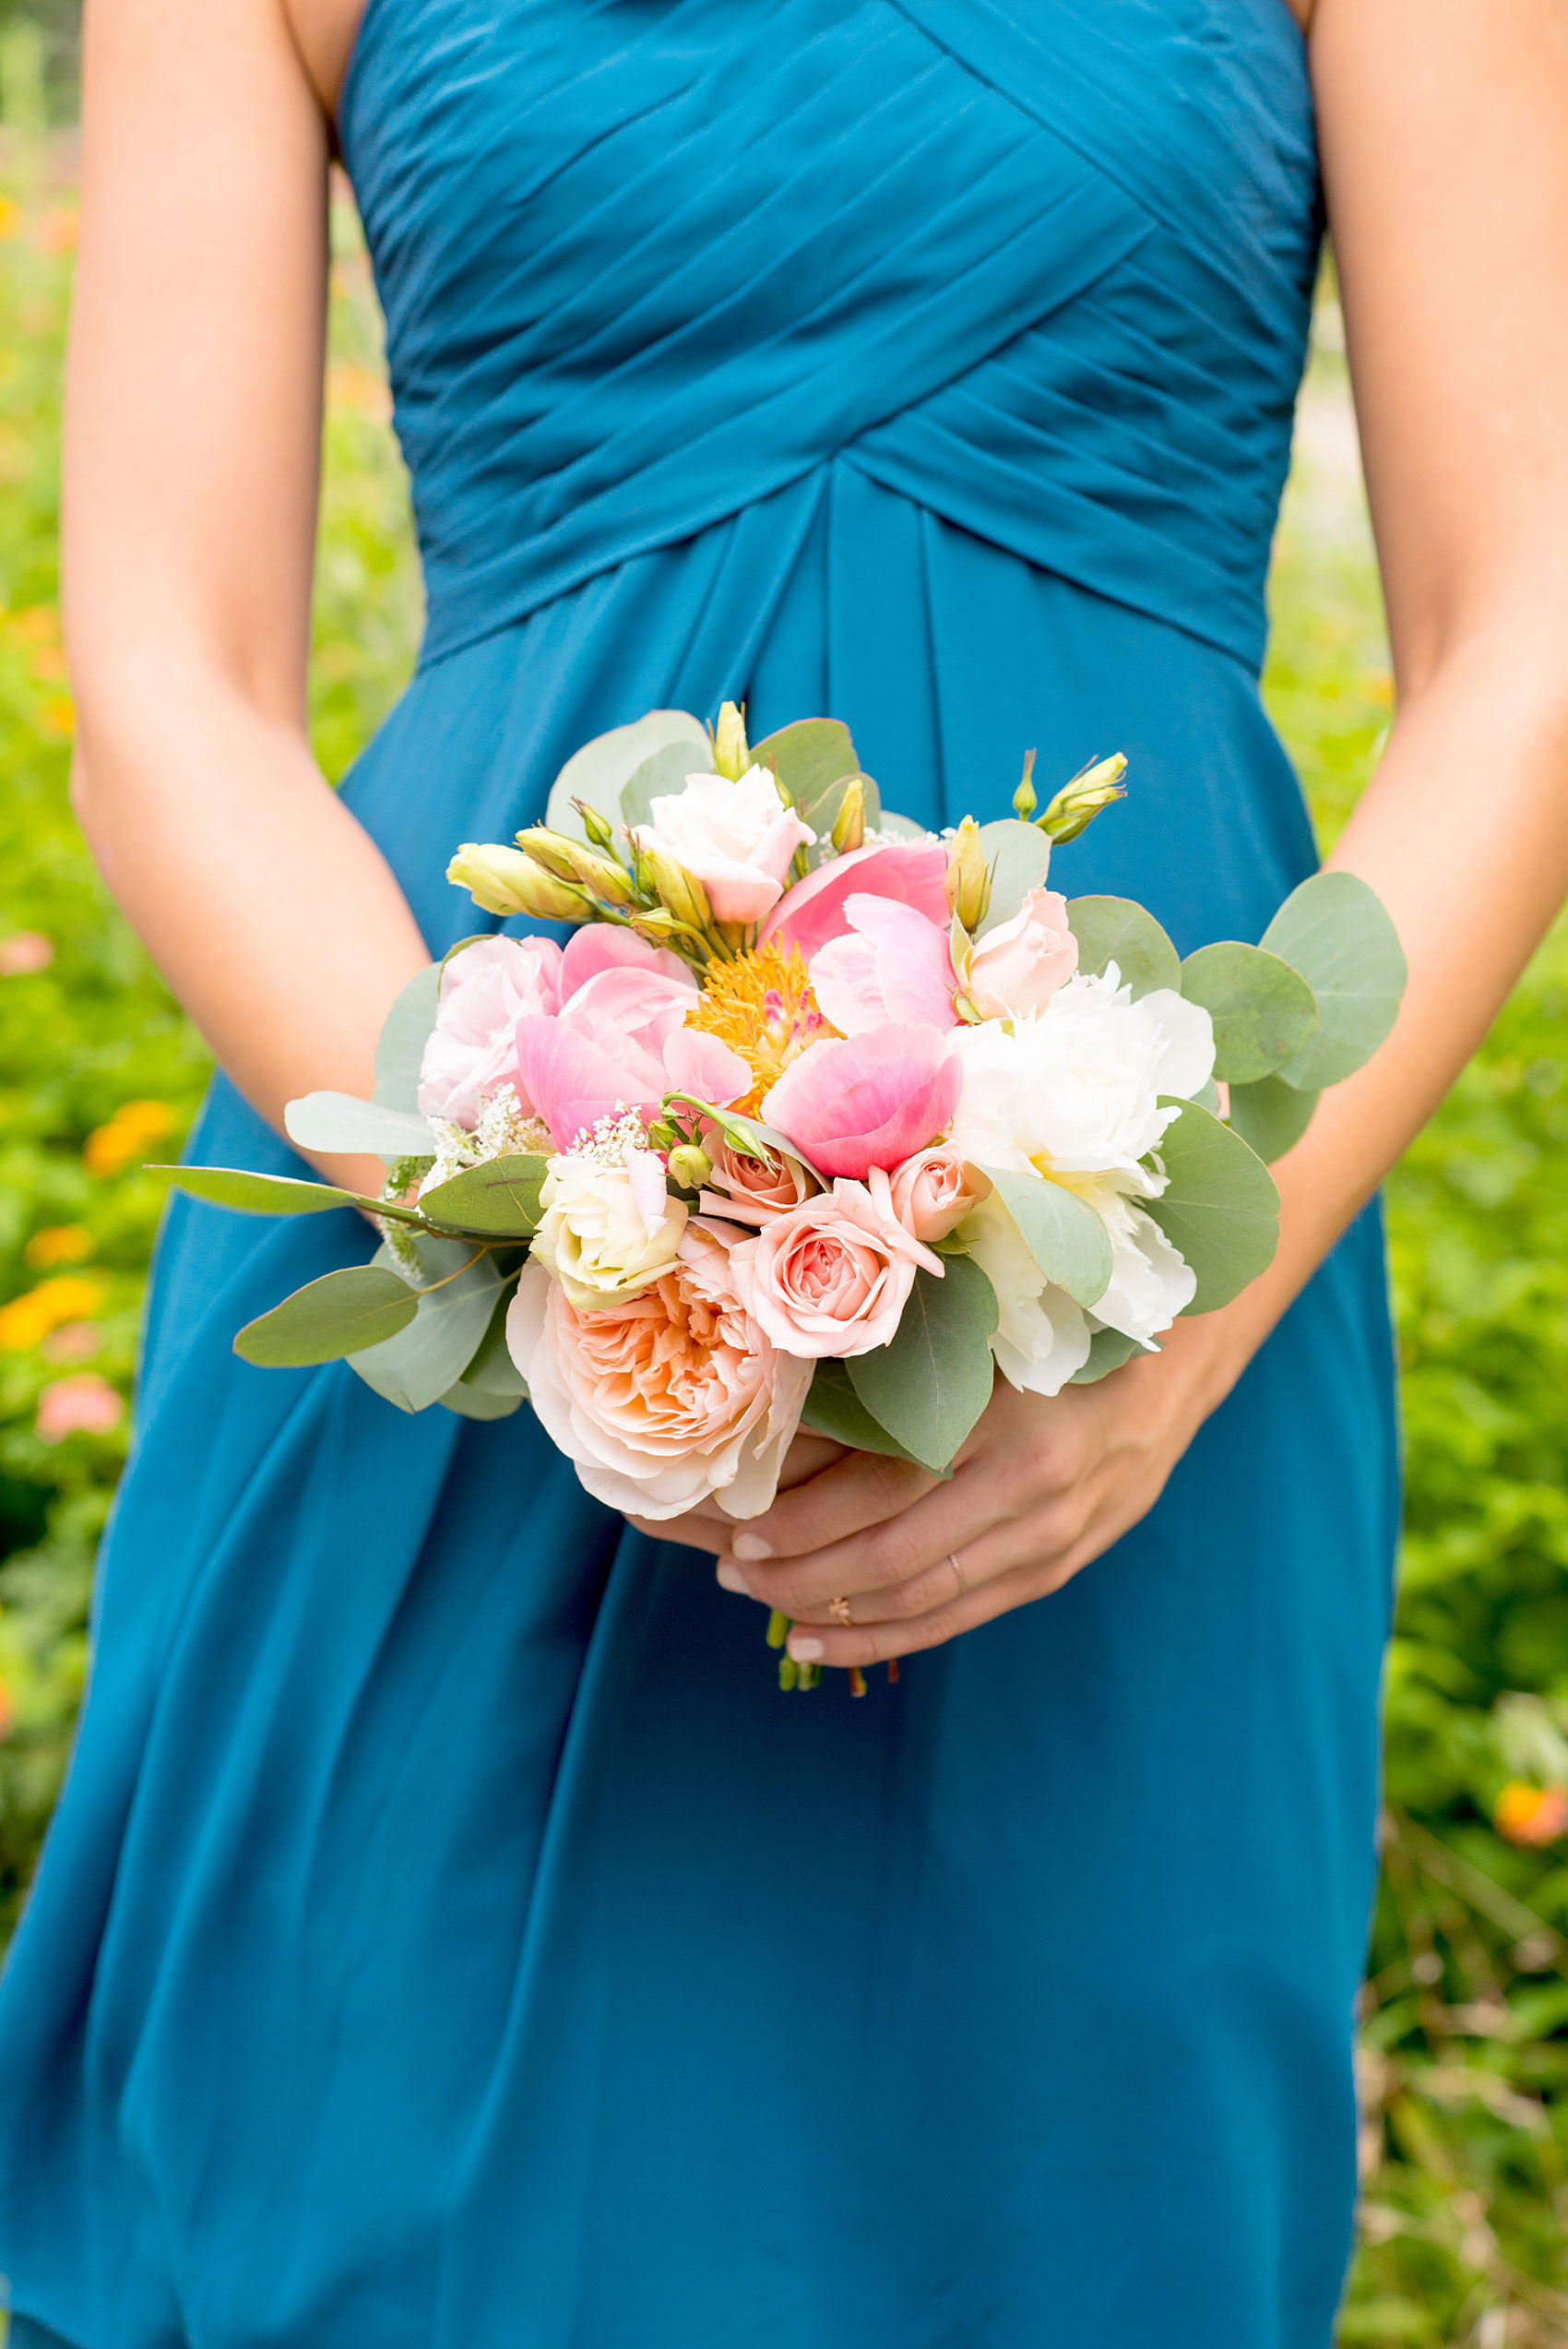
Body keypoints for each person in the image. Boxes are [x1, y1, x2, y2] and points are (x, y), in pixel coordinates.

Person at [3, 0, 1567, 2342]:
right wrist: (566, 1223)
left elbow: (1528, 627)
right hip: (453, 1298)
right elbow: (165, 676)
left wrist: (1164, 1339)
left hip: (1142, 1301)